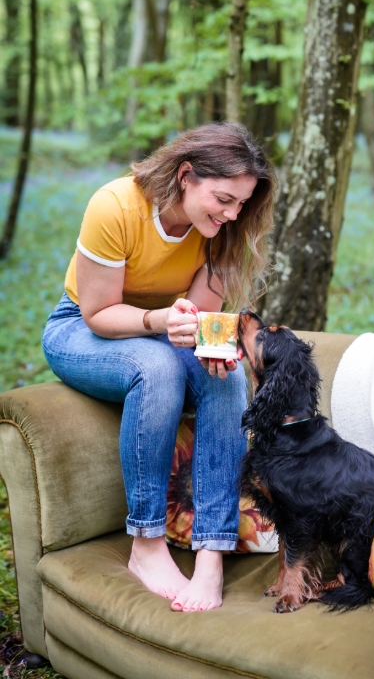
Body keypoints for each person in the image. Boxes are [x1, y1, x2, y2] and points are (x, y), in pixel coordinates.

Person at [42, 122, 275, 613]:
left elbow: (193, 323)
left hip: (161, 333)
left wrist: (211, 344)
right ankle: (146, 544)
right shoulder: (116, 206)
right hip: (82, 329)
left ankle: (211, 553)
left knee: (225, 374)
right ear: (186, 175)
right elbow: (98, 314)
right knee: (157, 367)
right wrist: (160, 320)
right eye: (224, 199)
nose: (233, 214)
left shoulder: (223, 234)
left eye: (241, 203)